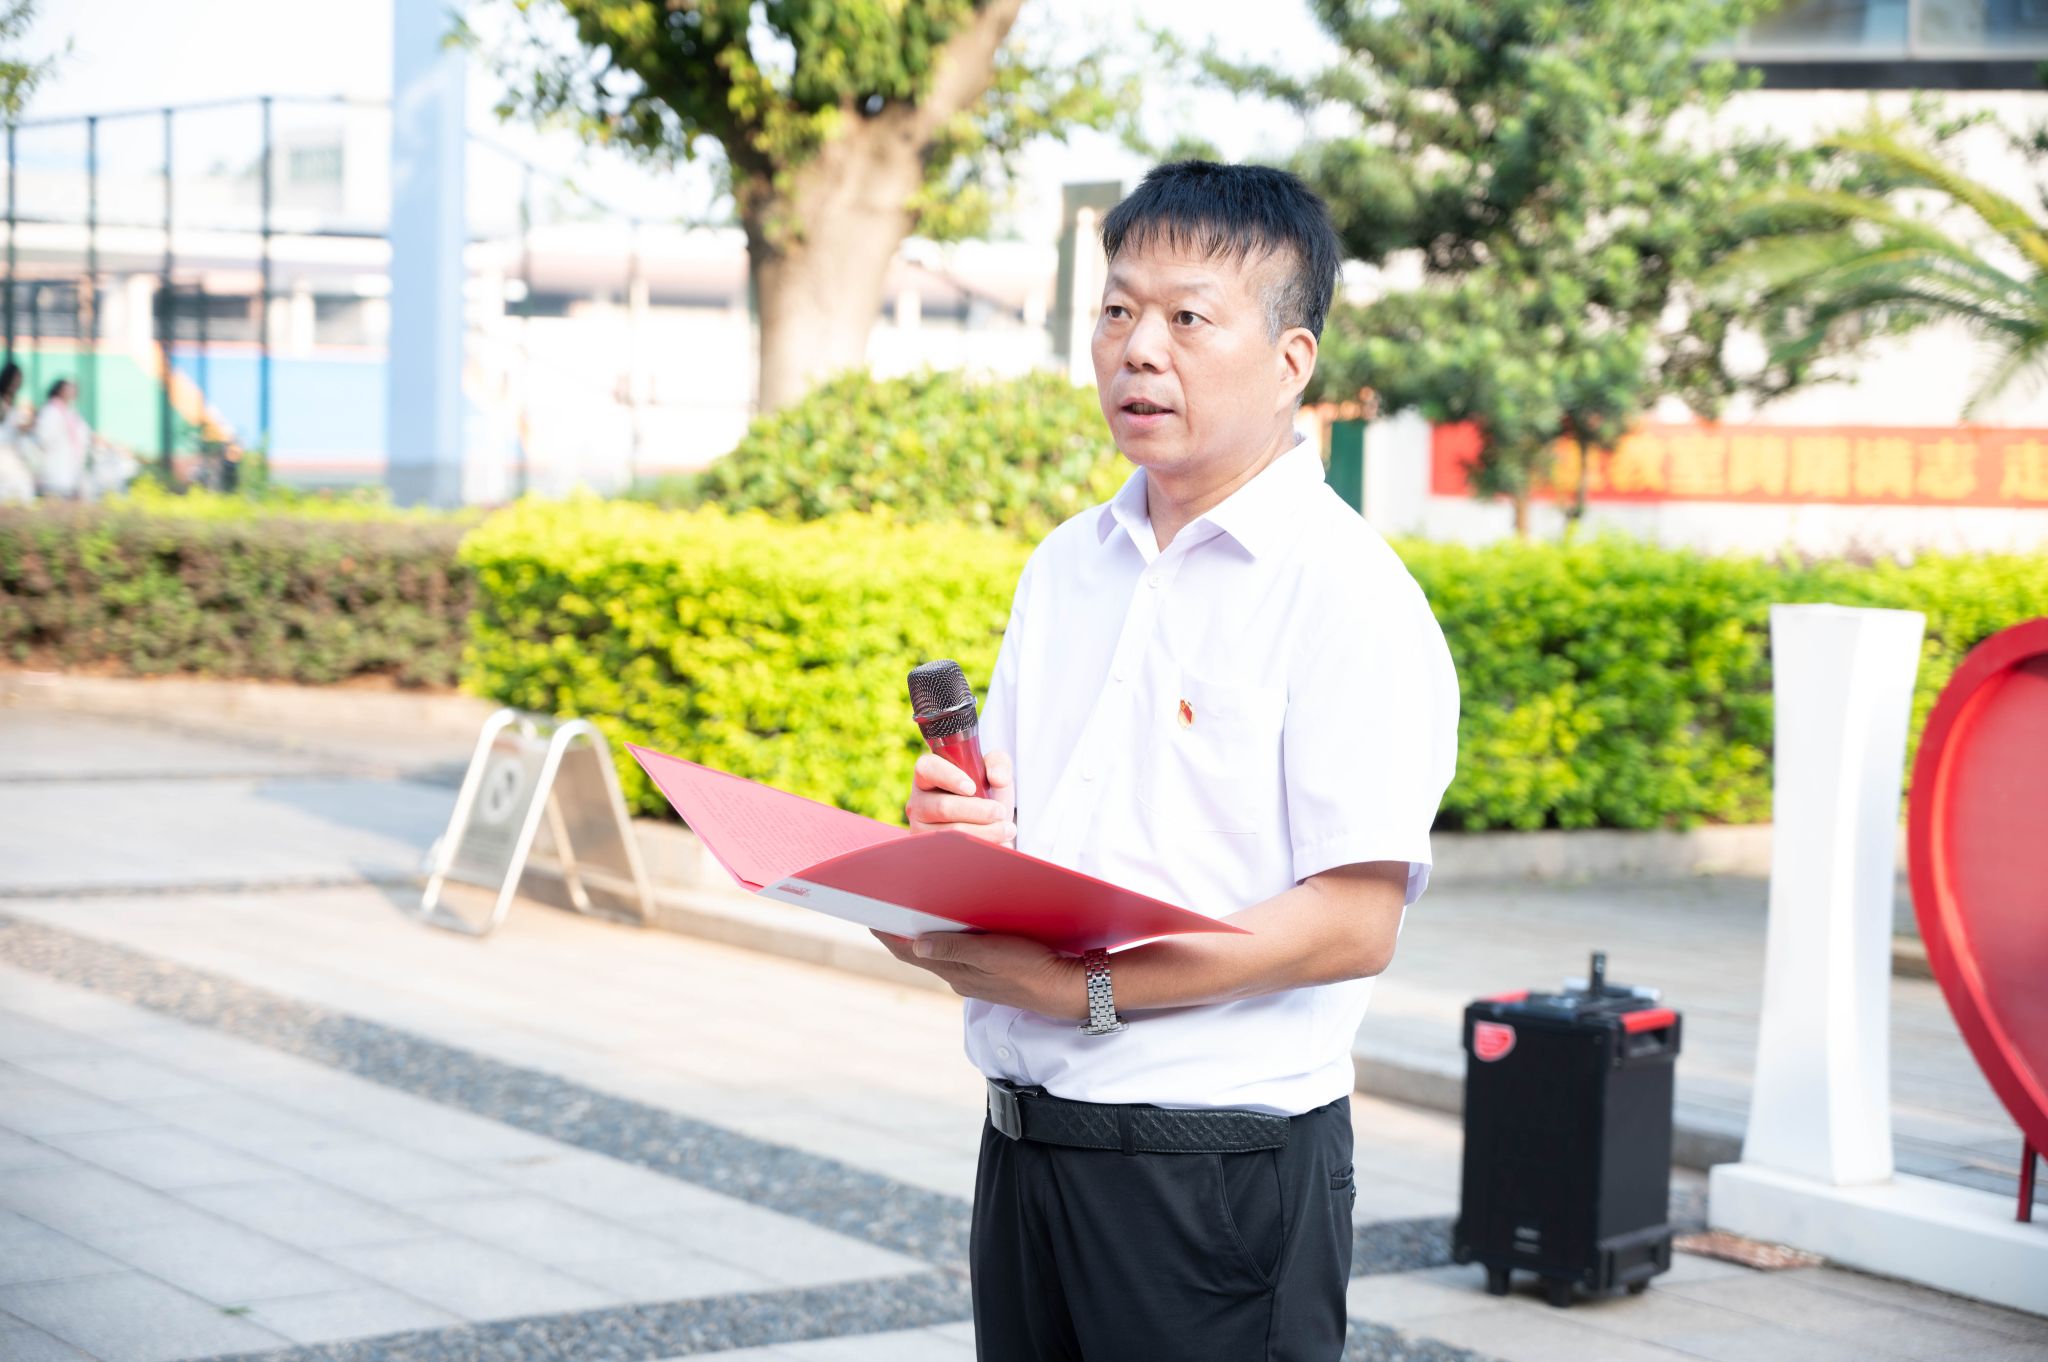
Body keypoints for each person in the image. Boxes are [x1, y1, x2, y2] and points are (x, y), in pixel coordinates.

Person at [875, 160, 1460, 1361]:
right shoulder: (1066, 565)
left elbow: (1352, 924)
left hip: (1215, 1172)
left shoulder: (1345, 592)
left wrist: (1083, 992)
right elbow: (1030, 838)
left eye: (1188, 317)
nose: (1138, 349)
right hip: (1025, 1147)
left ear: (1290, 360)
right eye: (1116, 310)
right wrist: (949, 851)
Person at [29, 378, 90, 500]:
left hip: (70, 472)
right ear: (60, 390)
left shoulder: (71, 413)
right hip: (54, 469)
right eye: (68, 388)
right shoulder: (50, 410)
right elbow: (43, 438)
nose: (72, 391)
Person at [0, 362, 31, 505]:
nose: (16, 383)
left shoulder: (15, 401)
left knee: (22, 487)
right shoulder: (2, 401)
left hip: (13, 451)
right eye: (15, 379)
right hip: (3, 451)